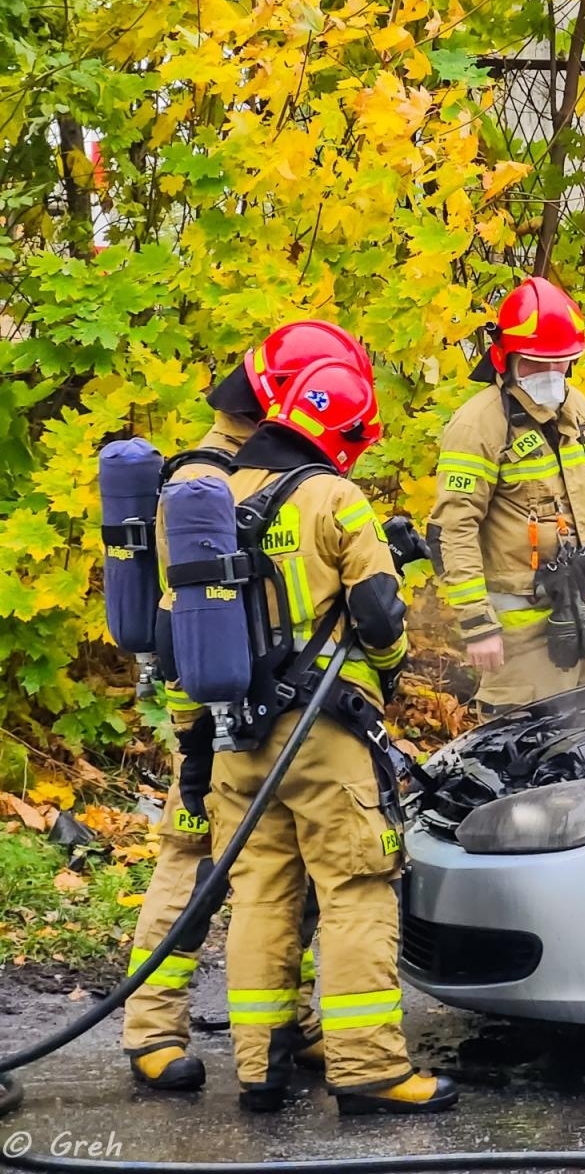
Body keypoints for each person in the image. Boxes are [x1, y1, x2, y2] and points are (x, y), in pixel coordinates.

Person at [200, 346, 456, 1115]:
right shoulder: (336, 497)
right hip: (323, 732)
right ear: (343, 430)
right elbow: (379, 618)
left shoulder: (215, 494)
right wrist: (389, 664)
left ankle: (259, 1068)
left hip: (234, 738)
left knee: (262, 897)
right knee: (354, 890)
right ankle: (369, 1069)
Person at [122, 322, 372, 1091]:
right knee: (192, 859)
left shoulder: (251, 464)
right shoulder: (201, 482)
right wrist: (193, 748)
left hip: (251, 706)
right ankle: (151, 1029)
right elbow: (176, 628)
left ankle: (284, 1025)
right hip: (209, 713)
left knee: (274, 866)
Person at [427, 276, 585, 716]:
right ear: (505, 358)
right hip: (520, 635)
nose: (550, 376)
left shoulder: (579, 411)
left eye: (561, 364)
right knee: (528, 755)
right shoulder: (477, 426)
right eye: (535, 364)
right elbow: (453, 529)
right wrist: (478, 625)